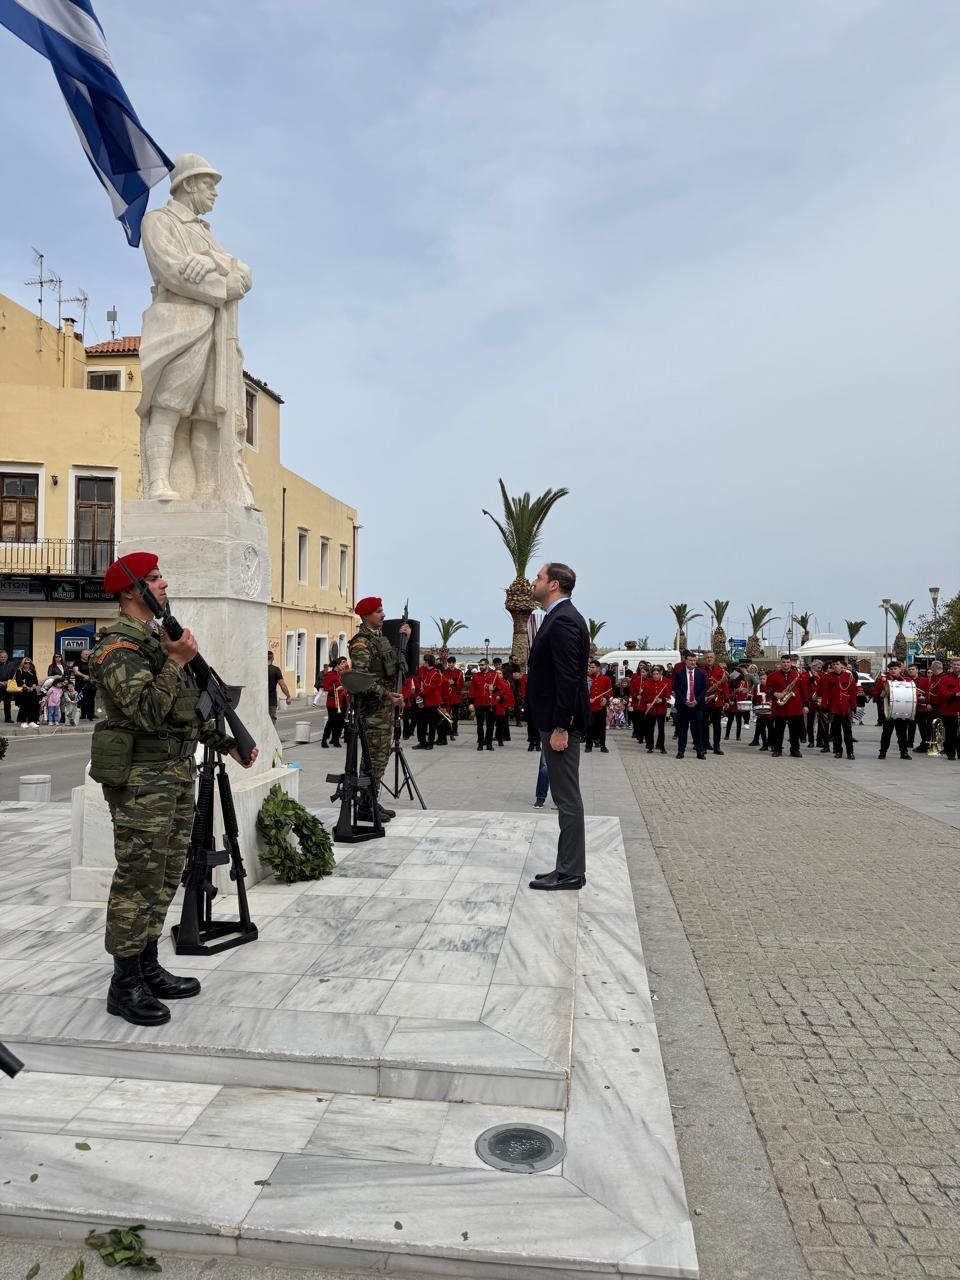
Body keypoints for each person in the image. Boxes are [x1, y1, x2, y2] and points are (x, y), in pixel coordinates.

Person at [91, 552, 258, 1026]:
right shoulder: (117, 648)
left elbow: (185, 708)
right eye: (154, 579)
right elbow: (145, 710)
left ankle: (146, 965)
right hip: (142, 782)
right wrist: (174, 660)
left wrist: (226, 743)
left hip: (176, 775)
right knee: (136, 879)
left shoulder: (156, 639)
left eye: (161, 576)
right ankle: (124, 984)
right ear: (130, 592)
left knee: (165, 876)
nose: (164, 584)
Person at [525, 561, 590, 891]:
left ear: (553, 585)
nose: (533, 582)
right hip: (552, 720)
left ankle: (571, 872)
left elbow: (568, 679)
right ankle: (566, 867)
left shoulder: (564, 620)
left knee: (567, 798)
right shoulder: (558, 617)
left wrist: (562, 726)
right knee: (565, 797)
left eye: (538, 577)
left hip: (559, 724)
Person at [347, 596, 409, 817]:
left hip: (383, 708)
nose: (383, 614)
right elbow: (362, 679)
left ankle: (371, 800)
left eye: (382, 610)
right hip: (373, 710)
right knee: (373, 759)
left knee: (380, 758)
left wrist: (405, 640)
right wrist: (386, 695)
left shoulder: (379, 639)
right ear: (365, 616)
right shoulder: (361, 643)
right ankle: (365, 806)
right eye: (378, 611)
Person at [767, 654, 806, 758]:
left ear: (791, 663)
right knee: (778, 731)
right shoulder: (773, 675)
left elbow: (803, 691)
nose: (786, 664)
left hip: (795, 707)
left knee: (795, 731)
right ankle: (777, 750)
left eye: (788, 662)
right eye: (784, 662)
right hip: (780, 707)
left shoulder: (797, 675)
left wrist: (805, 705)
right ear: (781, 663)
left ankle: (795, 750)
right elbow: (767, 690)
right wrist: (775, 694)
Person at [672, 652, 706, 759]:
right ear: (685, 661)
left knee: (697, 730)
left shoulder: (701, 674)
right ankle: (681, 751)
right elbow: (676, 688)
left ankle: (699, 751)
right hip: (683, 706)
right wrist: (684, 700)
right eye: (690, 660)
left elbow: (704, 689)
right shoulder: (679, 673)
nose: (692, 662)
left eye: (694, 661)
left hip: (696, 706)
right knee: (682, 730)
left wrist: (697, 701)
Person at [874, 661, 911, 760]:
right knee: (886, 733)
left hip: (901, 709)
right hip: (888, 710)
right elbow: (874, 693)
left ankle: (904, 752)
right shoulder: (883, 680)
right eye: (891, 669)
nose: (893, 671)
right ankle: (883, 752)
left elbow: (911, 694)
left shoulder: (906, 680)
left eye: (895, 669)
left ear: (900, 669)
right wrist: (880, 695)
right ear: (888, 670)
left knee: (902, 733)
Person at [821, 658, 857, 759]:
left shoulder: (849, 677)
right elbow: (825, 693)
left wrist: (854, 707)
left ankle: (850, 752)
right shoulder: (828, 677)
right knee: (836, 732)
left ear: (842, 666)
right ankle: (838, 751)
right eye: (834, 664)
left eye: (837, 664)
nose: (835, 666)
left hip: (846, 708)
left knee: (848, 732)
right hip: (834, 708)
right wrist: (824, 707)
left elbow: (853, 693)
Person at [414, 652, 443, 750]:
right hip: (423, 701)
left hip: (431, 702)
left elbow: (432, 688)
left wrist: (422, 694)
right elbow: (419, 682)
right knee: (421, 723)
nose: (423, 663)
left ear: (427, 662)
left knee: (431, 724)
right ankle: (422, 742)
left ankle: (430, 742)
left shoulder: (436, 674)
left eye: (424, 661)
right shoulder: (424, 671)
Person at [702, 651, 729, 755]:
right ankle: (704, 746)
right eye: (707, 657)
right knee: (703, 725)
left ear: (714, 659)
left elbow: (725, 686)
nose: (709, 659)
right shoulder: (699, 670)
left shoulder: (720, 671)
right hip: (704, 701)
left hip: (716, 702)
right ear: (705, 659)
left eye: (711, 657)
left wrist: (726, 700)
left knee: (717, 726)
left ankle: (717, 747)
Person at [468, 657, 497, 752]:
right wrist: (471, 703)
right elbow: (472, 690)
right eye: (480, 665)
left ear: (487, 665)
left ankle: (489, 743)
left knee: (490, 725)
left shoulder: (494, 675)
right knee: (479, 725)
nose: (480, 666)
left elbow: (501, 688)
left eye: (482, 665)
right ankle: (480, 743)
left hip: (490, 703)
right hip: (479, 703)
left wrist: (494, 689)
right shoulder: (476, 676)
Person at [641, 665, 671, 753]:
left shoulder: (666, 682)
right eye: (654, 674)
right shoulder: (647, 682)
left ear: (660, 674)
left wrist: (662, 700)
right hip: (651, 709)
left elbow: (669, 697)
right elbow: (644, 696)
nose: (655, 676)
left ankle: (662, 746)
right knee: (650, 729)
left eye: (657, 674)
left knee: (661, 729)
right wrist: (647, 703)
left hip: (661, 709)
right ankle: (650, 746)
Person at [585, 660, 612, 753]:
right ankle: (588, 745)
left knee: (601, 727)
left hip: (601, 707)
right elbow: (583, 692)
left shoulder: (606, 679)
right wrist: (587, 699)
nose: (591, 669)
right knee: (589, 727)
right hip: (590, 707)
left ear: (598, 668)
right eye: (590, 667)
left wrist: (606, 699)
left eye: (593, 667)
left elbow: (609, 692)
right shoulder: (587, 679)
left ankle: (602, 745)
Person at [320, 656, 348, 748]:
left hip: (342, 700)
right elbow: (326, 688)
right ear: (337, 665)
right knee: (331, 721)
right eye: (341, 664)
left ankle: (336, 739)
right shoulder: (329, 674)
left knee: (340, 721)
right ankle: (324, 740)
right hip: (333, 701)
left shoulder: (341, 674)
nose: (343, 666)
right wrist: (336, 688)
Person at [14, 658, 41, 727]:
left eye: (29, 663)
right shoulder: (19, 671)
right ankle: (23, 722)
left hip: (32, 691)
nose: (27, 664)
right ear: (23, 663)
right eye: (26, 663)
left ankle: (31, 721)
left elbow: (35, 681)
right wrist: (27, 687)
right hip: (23, 691)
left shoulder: (32, 671)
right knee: (24, 707)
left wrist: (32, 688)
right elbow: (19, 681)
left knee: (33, 707)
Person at [266, 651, 290, 724]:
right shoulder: (275, 670)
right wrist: (288, 696)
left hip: (259, 701)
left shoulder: (259, 669)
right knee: (271, 723)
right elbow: (282, 685)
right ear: (272, 658)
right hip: (271, 701)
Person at [443, 656, 464, 737]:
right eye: (448, 663)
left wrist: (454, 683)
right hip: (447, 697)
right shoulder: (445, 672)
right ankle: (447, 729)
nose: (450, 664)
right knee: (446, 714)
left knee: (455, 716)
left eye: (451, 663)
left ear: (454, 663)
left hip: (455, 697)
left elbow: (461, 685)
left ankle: (455, 730)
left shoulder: (459, 673)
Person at [0, 649, 17, 723]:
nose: (3, 658)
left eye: (4, 657)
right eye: (1, 657)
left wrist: (8, 682)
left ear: (7, 657)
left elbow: (14, 675)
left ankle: (8, 718)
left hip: (8, 686)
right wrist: (0, 682)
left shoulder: (11, 664)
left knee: (7, 704)